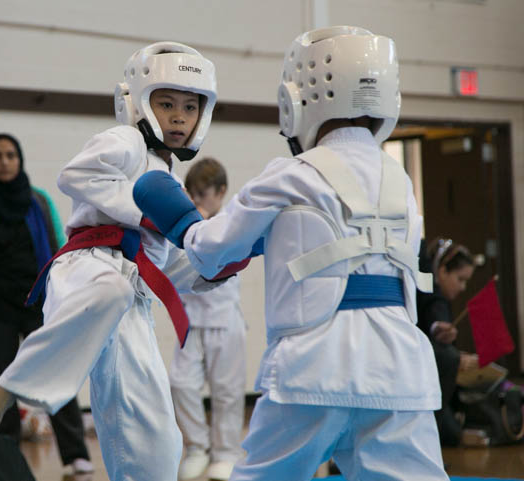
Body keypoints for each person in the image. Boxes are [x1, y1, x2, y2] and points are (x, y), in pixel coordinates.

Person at [134, 26, 449, 480]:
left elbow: (210, 249)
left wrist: (177, 214)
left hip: (313, 369)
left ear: (297, 99)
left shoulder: (290, 174)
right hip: (400, 371)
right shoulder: (402, 183)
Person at [0, 41, 225, 480]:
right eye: (167, 103)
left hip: (133, 293)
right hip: (90, 265)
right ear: (138, 102)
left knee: (158, 439)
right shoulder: (127, 141)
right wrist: (145, 212)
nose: (179, 116)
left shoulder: (169, 173)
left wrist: (213, 265)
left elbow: (164, 265)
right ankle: (0, 396)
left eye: (190, 107)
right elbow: (75, 174)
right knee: (108, 291)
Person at [0, 133, 92, 474]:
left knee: (57, 377)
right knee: (1, 385)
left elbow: (61, 249)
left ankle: (76, 454)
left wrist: (67, 297)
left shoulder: (40, 202)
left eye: (10, 155)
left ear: (20, 160)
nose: (4, 162)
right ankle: (6, 459)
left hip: (40, 306)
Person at [170, 158, 246, 480]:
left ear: (222, 192)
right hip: (190, 319)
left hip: (224, 319)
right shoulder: (184, 224)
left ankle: (225, 453)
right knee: (179, 382)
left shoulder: (234, 221)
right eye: (193, 194)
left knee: (226, 391)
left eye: (204, 193)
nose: (198, 200)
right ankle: (196, 447)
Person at [417, 237, 478, 446]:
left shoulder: (441, 302)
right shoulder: (429, 291)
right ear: (442, 271)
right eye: (460, 279)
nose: (463, 287)